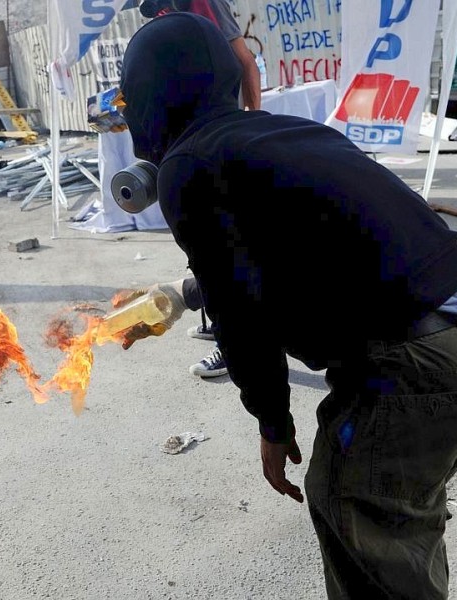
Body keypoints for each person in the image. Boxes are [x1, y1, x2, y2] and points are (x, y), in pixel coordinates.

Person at [116, 13, 457, 599]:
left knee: (360, 504)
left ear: (149, 99)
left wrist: (273, 423)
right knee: (394, 513)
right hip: (445, 329)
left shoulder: (187, 165)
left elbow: (241, 319)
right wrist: (179, 293)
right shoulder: (280, 134)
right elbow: (290, 253)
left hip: (412, 363)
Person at [140, 0, 263, 378]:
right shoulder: (161, 10)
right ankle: (216, 322)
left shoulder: (202, 1)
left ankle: (235, 345)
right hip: (191, 138)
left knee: (224, 247)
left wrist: (252, 121)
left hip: (218, 138)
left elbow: (245, 60)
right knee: (201, 243)